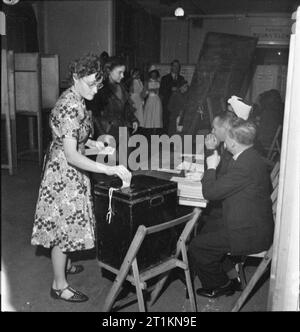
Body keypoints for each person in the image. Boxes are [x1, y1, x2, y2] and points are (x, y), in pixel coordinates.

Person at [31, 53, 132, 303]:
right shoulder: (69, 105)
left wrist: (98, 144)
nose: (96, 90)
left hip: (70, 171)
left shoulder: (80, 99)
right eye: (91, 84)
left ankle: (62, 265)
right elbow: (72, 155)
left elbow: (78, 137)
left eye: (98, 84)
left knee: (69, 225)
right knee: (63, 228)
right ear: (75, 78)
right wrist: (108, 169)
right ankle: (59, 284)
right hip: (64, 172)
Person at [189, 119, 274, 298]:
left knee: (197, 246)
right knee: (206, 230)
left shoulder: (243, 166)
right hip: (249, 220)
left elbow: (211, 192)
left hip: (249, 233)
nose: (224, 141)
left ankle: (221, 284)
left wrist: (211, 168)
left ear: (233, 143)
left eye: (226, 138)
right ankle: (231, 275)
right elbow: (226, 183)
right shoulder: (249, 156)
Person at [88, 56, 139, 145]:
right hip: (107, 131)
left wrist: (133, 119)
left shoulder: (121, 87)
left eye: (123, 72)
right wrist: (103, 134)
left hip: (122, 129)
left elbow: (126, 106)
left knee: (125, 157)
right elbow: (94, 116)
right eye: (120, 72)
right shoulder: (99, 89)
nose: (122, 76)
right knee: (110, 158)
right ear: (109, 71)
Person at [253, 89, 284, 154]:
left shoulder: (268, 113)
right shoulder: (278, 110)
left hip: (265, 142)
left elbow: (263, 133)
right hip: (274, 140)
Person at [159, 60, 186, 132]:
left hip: (178, 107)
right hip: (167, 105)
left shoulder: (181, 78)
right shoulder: (165, 78)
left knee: (176, 125)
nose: (176, 68)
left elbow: (184, 92)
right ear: (171, 67)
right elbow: (161, 91)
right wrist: (170, 89)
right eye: (175, 66)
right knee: (166, 123)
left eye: (178, 66)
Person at [143, 67, 163, 134]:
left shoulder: (159, 82)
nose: (154, 75)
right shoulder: (147, 82)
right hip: (150, 99)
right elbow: (144, 92)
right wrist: (149, 91)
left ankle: (155, 132)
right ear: (150, 74)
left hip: (157, 100)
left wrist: (157, 91)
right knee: (149, 116)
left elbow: (160, 92)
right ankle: (149, 133)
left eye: (155, 74)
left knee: (156, 116)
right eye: (152, 74)